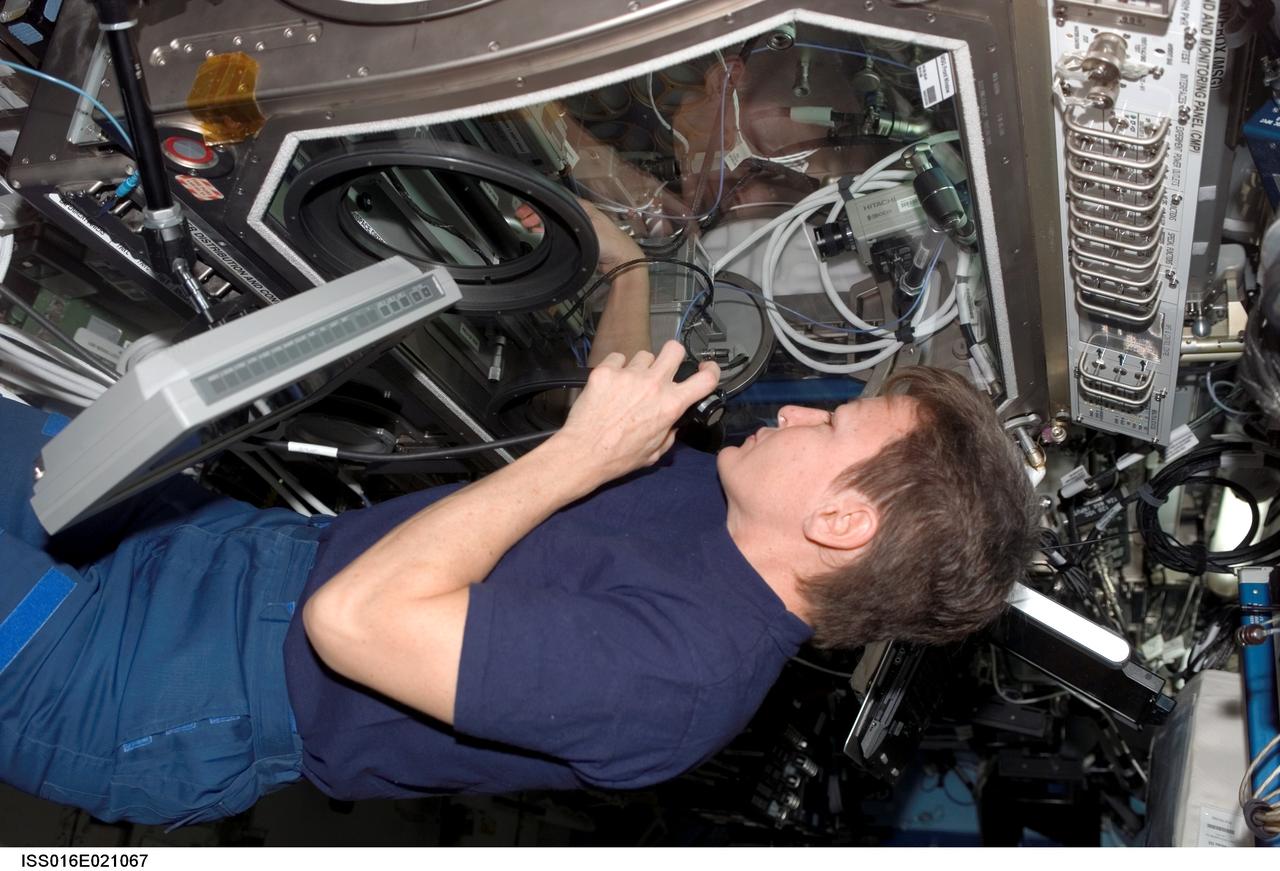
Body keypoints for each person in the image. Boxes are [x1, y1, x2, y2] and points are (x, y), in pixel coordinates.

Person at [0, 206, 1038, 826]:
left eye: (835, 423)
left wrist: (579, 453)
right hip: (209, 548)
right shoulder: (720, 508)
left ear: (841, 525)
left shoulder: (673, 682)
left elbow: (353, 623)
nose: (802, 409)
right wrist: (623, 258)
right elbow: (618, 404)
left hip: (159, 681)